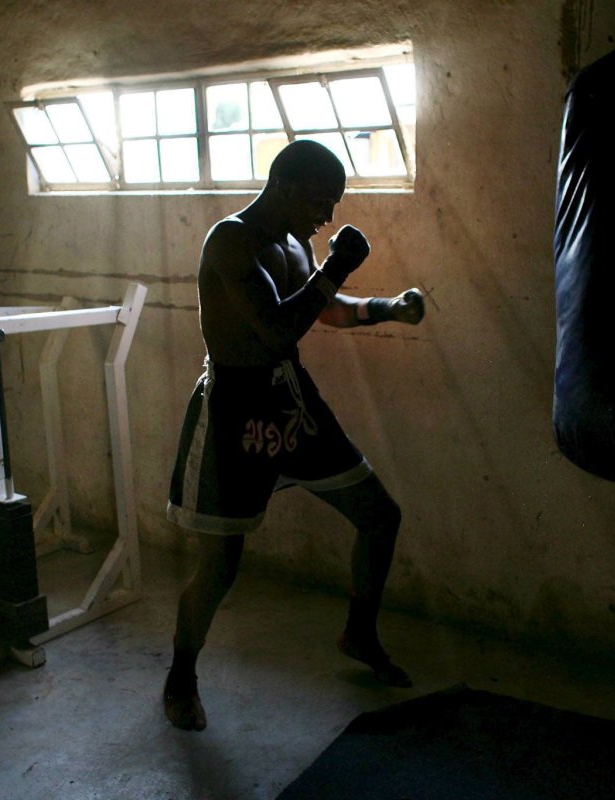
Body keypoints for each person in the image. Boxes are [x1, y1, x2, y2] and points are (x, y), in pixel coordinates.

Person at [162, 139, 426, 731]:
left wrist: (388, 307)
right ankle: (181, 677)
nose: (326, 217)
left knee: (380, 516)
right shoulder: (230, 240)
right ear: (282, 184)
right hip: (234, 406)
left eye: (332, 204)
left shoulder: (294, 242)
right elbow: (278, 326)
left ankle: (359, 635)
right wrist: (338, 265)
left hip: (290, 401)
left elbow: (321, 310)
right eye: (319, 200)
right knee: (223, 564)